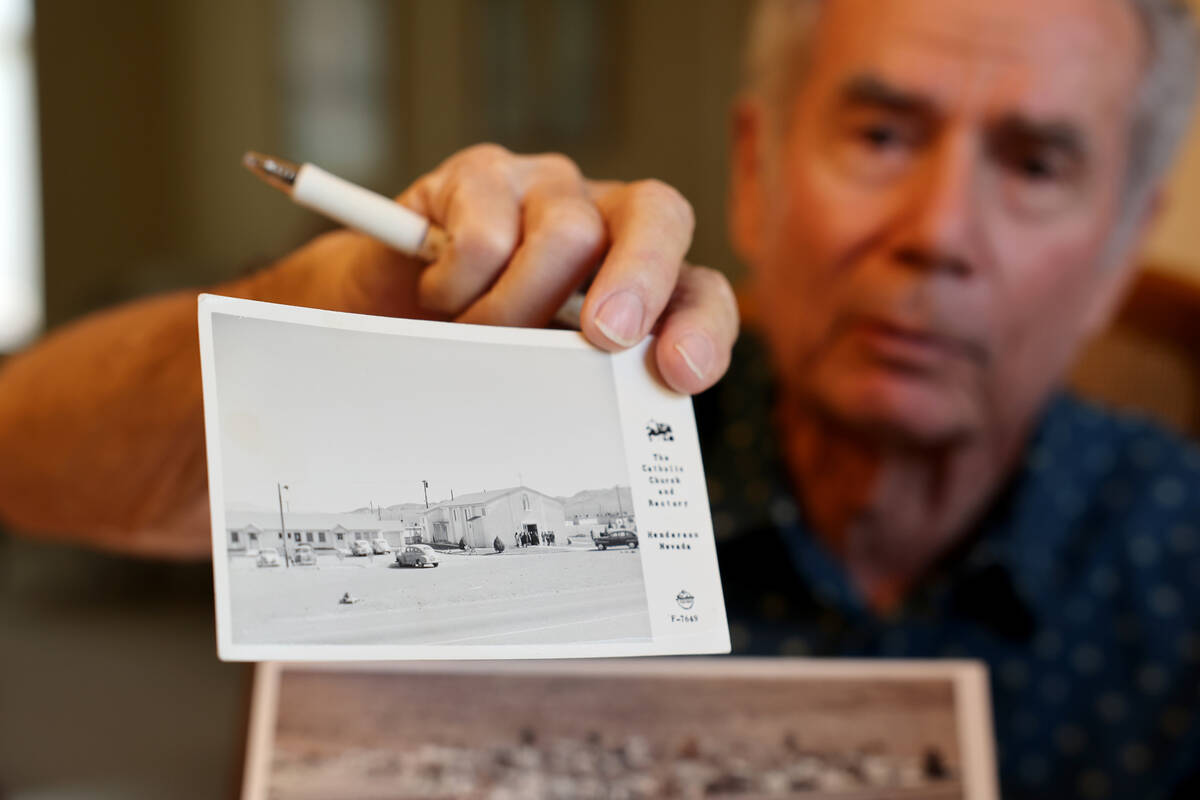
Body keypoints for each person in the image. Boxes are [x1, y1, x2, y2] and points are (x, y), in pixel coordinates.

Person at [0, 0, 1197, 796]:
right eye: (882, 133)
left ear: (1119, 245)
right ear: (755, 171)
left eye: (1036, 164)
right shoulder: (554, 426)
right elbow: (22, 452)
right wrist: (340, 321)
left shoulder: (1179, 558)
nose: (938, 234)